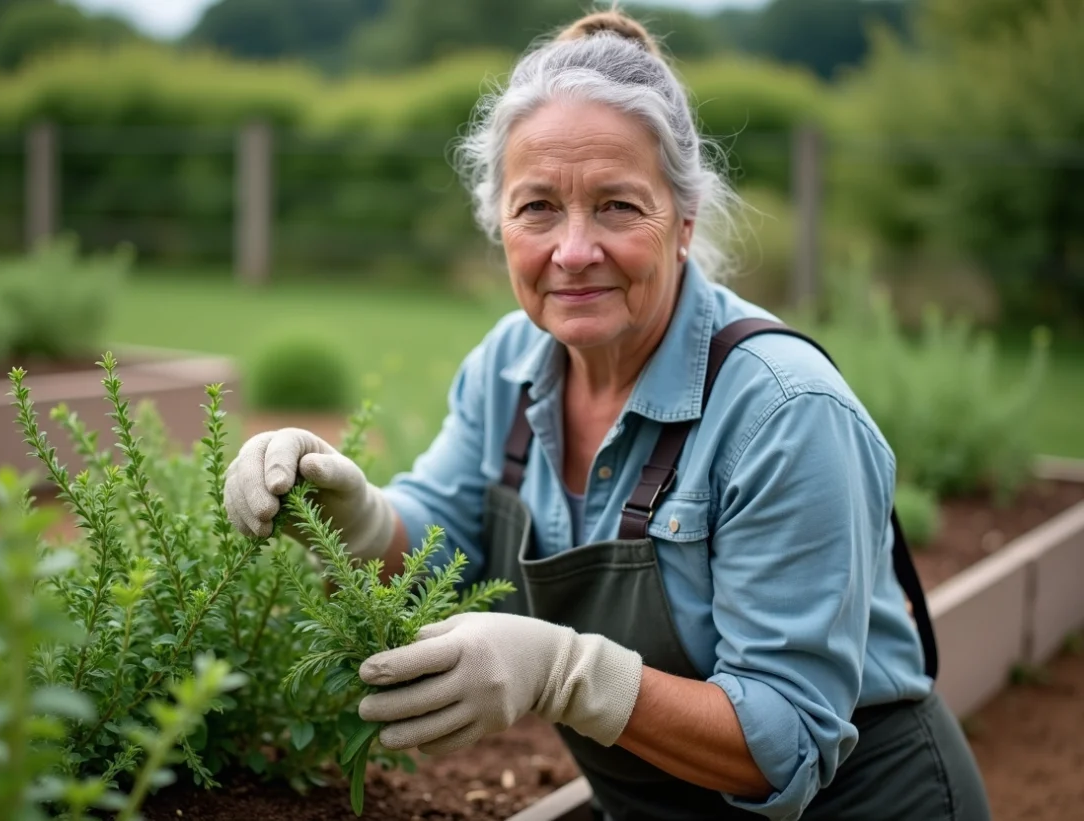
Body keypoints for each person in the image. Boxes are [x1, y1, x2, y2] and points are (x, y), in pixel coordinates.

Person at [223, 10, 991, 820]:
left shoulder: (783, 412)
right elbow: (441, 535)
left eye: (619, 206)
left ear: (684, 222)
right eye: (538, 208)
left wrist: (566, 672)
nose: (575, 249)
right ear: (500, 227)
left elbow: (786, 741)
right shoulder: (507, 367)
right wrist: (353, 515)